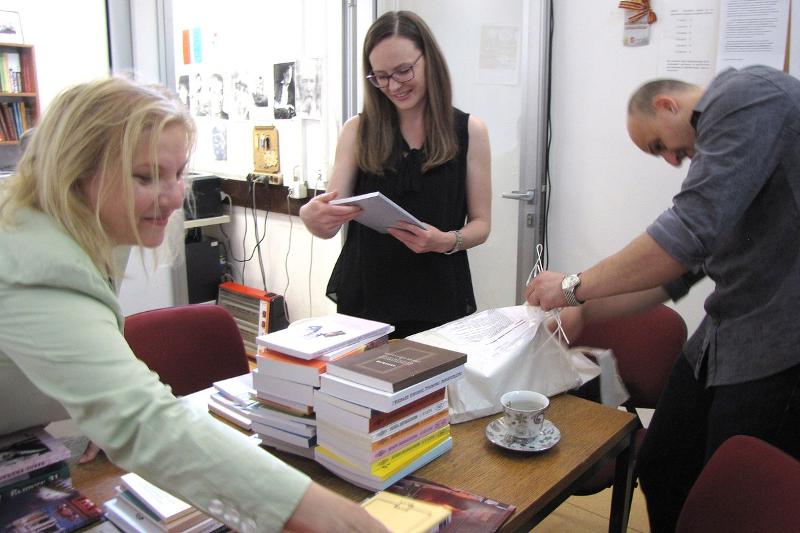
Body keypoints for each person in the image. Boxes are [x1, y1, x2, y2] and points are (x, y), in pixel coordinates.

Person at [0, 77, 387, 533]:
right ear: (73, 173)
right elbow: (143, 422)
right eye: (145, 177)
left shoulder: (79, 223)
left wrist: (100, 399)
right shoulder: (36, 261)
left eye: (177, 173)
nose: (172, 197)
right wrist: (323, 513)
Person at [525, 65, 800, 533]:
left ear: (667, 105)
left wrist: (572, 285)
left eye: (658, 145)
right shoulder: (732, 162)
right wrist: (581, 308)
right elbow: (671, 276)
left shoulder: (746, 95)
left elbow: (684, 235)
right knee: (661, 464)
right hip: (725, 335)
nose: (671, 161)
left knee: (731, 503)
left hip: (778, 347)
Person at [299, 10, 492, 339]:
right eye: (381, 76)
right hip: (366, 300)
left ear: (429, 60)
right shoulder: (357, 131)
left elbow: (481, 225)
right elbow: (330, 219)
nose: (394, 85)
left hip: (438, 296)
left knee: (436, 374)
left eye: (403, 71)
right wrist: (312, 217)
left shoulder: (470, 131)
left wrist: (446, 241)